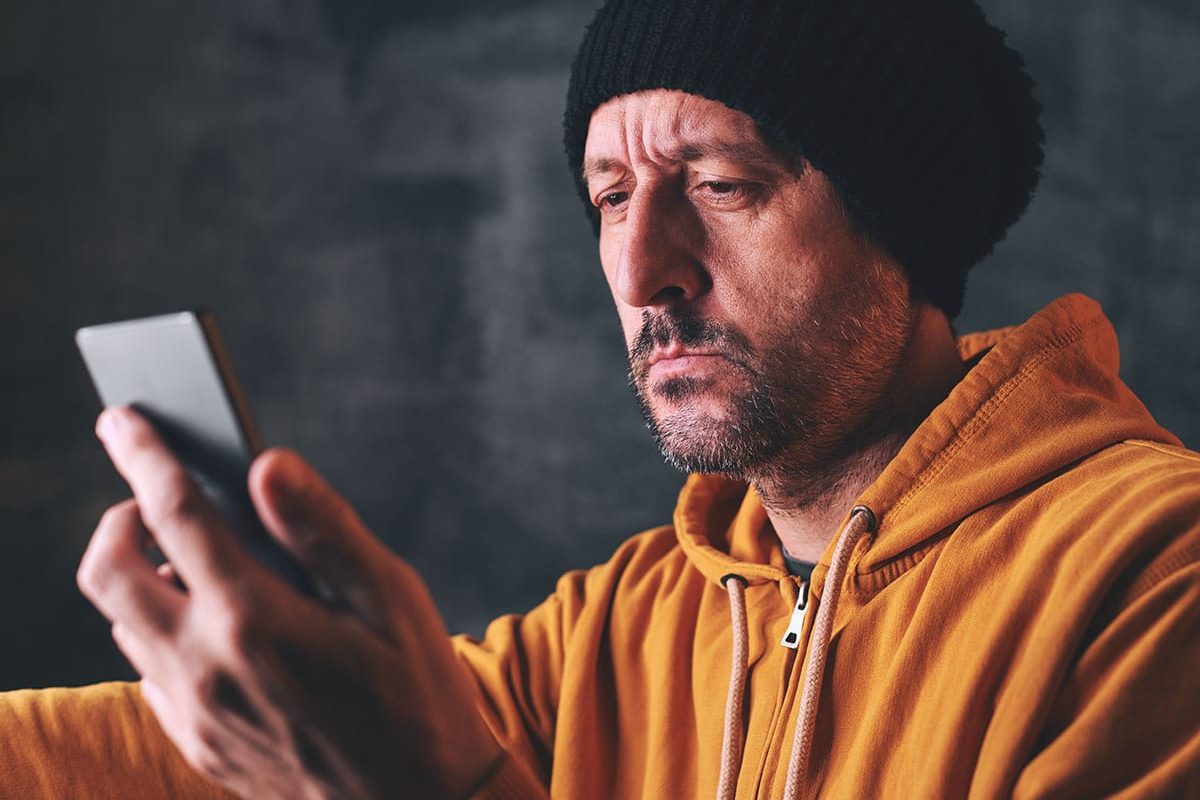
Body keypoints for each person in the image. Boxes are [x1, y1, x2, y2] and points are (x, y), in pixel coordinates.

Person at [3, 0, 1198, 797]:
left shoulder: (1152, 576)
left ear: (907, 229)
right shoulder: (629, 622)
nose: (640, 274)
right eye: (611, 197)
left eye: (720, 183)